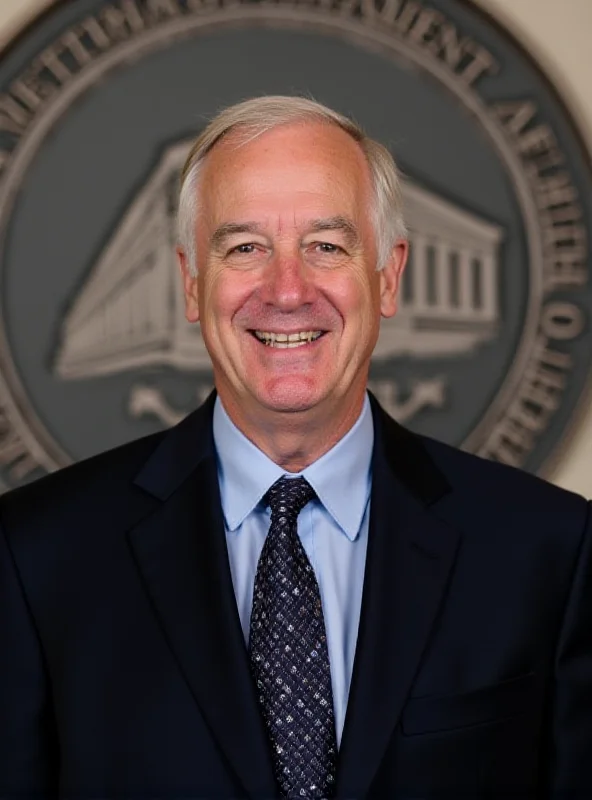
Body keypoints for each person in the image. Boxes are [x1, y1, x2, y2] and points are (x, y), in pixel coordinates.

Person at [1, 95, 591, 799]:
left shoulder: (549, 552)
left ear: (388, 275)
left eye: (326, 246)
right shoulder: (36, 558)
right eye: (245, 247)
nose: (287, 290)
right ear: (193, 281)